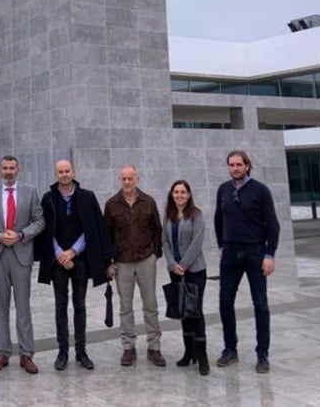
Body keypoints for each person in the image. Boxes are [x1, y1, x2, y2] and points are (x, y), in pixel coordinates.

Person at [36, 159, 115, 371]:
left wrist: (73, 252)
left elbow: (92, 228)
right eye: (60, 171)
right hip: (57, 260)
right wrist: (61, 254)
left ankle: (81, 352)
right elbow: (45, 230)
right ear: (56, 174)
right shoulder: (48, 198)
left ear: (73, 172)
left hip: (80, 260)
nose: (64, 174)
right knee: (60, 306)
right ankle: (63, 352)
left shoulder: (87, 197)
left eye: (67, 171)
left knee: (79, 305)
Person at [214, 150, 280, 374]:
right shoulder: (223, 189)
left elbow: (272, 224)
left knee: (260, 304)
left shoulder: (260, 191)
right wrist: (222, 246)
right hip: (230, 254)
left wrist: (269, 254)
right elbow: (218, 219)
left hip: (255, 252)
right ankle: (230, 350)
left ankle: (263, 354)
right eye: (231, 165)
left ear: (247, 166)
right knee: (224, 303)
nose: (235, 168)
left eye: (239, 164)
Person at [0, 155, 45, 374]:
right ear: (0, 170)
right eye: (5, 168)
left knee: (23, 306)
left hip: (21, 253)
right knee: (1, 306)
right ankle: (2, 352)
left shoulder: (30, 191)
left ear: (18, 169)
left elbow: (39, 221)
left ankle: (26, 354)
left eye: (12, 168)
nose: (8, 171)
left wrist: (20, 234)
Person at [103, 165, 165, 367]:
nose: (127, 182)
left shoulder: (148, 202)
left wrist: (155, 254)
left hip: (146, 259)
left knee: (150, 305)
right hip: (122, 262)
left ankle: (154, 347)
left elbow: (157, 229)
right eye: (124, 179)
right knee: (125, 308)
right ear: (120, 180)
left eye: (130, 178)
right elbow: (107, 235)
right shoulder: (112, 204)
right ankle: (128, 348)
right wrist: (109, 262)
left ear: (137, 179)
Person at [162, 179, 209, 376]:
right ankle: (188, 352)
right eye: (176, 192)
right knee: (183, 311)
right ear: (172, 195)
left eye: (183, 192)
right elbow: (164, 240)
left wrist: (184, 264)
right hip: (175, 271)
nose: (179, 195)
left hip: (195, 270)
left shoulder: (196, 215)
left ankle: (202, 355)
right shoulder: (168, 216)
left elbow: (197, 242)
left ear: (189, 195)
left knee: (195, 311)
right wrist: (173, 264)